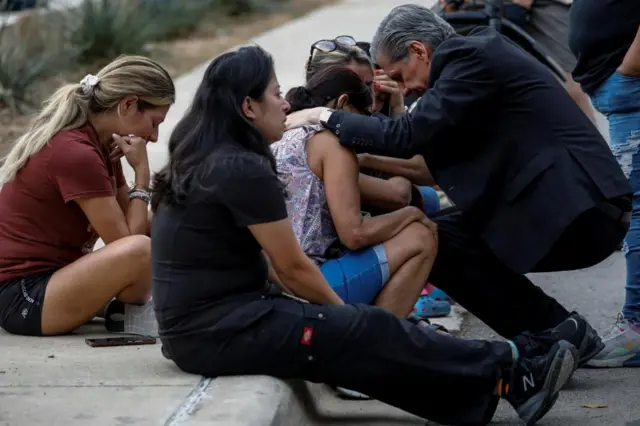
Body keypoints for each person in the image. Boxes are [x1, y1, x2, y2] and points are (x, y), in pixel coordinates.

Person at [150, 44, 578, 426]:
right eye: (275, 93)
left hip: (211, 328)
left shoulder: (210, 157)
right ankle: (514, 368)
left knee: (358, 339)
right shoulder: (240, 169)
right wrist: (343, 317)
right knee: (362, 329)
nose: (285, 104)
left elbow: (263, 262)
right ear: (248, 106)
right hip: (221, 331)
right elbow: (292, 265)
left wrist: (339, 321)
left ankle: (478, 397)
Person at [285, 4, 632, 367]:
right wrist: (364, 153)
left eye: (400, 75)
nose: (403, 88)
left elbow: (408, 138)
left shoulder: (470, 59)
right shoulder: (471, 65)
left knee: (439, 239)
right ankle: (561, 332)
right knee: (444, 235)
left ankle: (551, 333)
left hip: (575, 210)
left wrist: (321, 116)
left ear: (419, 50)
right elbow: (427, 162)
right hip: (569, 207)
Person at [0, 55, 175, 336]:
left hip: (56, 279)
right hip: (24, 296)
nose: (154, 136)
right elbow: (127, 244)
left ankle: (116, 307)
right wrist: (142, 174)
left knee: (166, 225)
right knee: (141, 248)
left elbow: (133, 225)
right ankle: (125, 311)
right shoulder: (76, 152)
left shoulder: (102, 145)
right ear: (128, 104)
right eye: (154, 123)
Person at [273, 65, 446, 322]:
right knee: (420, 236)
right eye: (363, 118)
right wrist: (412, 215)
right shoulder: (332, 144)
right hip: (309, 285)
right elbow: (355, 234)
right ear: (343, 105)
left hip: (274, 286)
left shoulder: (282, 135)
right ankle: (374, 344)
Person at [568, 0, 640, 368]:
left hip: (630, 81)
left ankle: (638, 325)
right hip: (620, 82)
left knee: (638, 210)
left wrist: (629, 70)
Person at [435, 0, 596, 122]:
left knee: (570, 86)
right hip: (477, 7)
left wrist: (519, 7)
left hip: (537, 9)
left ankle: (593, 151)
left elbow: (518, 10)